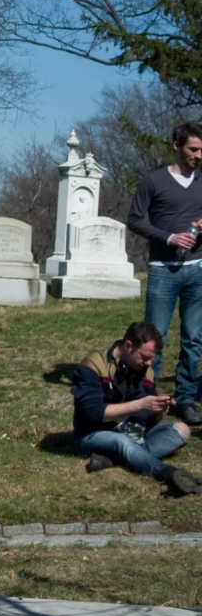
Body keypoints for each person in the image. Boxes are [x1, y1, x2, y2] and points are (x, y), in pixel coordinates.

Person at [127, 122, 202, 424]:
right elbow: (134, 220)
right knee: (153, 340)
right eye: (193, 149)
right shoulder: (154, 181)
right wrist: (168, 237)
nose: (198, 155)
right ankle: (148, 400)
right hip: (162, 271)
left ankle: (185, 398)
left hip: (197, 269)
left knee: (194, 338)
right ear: (176, 146)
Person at [70, 320, 200, 494]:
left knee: (182, 429)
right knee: (121, 441)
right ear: (128, 346)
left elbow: (148, 422)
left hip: (136, 434)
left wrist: (157, 413)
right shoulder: (93, 367)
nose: (149, 363)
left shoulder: (146, 372)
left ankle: (115, 459)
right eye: (145, 357)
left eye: (152, 358)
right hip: (93, 434)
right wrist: (140, 404)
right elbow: (94, 413)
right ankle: (168, 473)